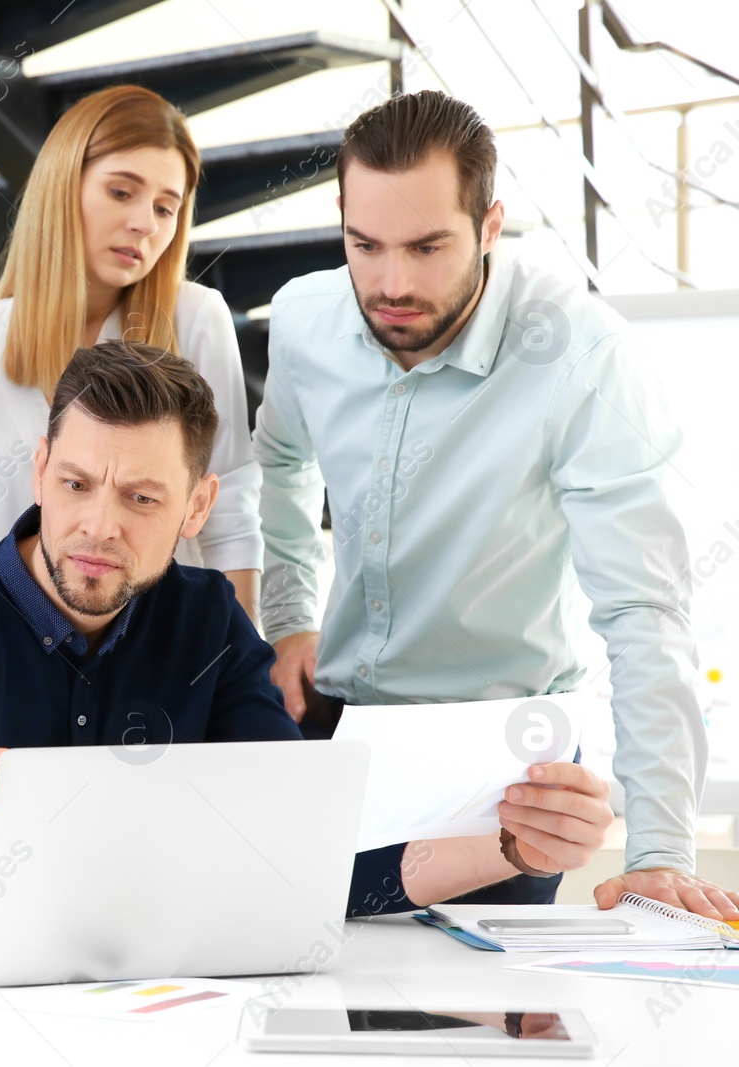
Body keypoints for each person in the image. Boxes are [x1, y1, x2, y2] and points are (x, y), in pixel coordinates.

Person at [0, 342, 613, 942]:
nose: (97, 525)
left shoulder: (207, 625)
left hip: (137, 1012)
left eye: (143, 500)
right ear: (39, 469)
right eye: (77, 483)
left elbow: (301, 861)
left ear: (198, 507)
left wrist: (506, 847)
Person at [254, 89, 739, 921]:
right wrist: (290, 611)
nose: (393, 282)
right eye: (364, 245)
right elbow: (282, 461)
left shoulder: (583, 354)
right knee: (303, 996)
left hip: (499, 767)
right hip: (331, 732)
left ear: (488, 226)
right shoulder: (303, 318)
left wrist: (659, 851)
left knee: (480, 1027)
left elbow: (643, 607)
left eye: (428, 246)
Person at [0, 85, 264, 623]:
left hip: (163, 659)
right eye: (122, 192)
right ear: (61, 187)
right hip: (8, 662)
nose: (146, 223)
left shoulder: (198, 319)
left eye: (166, 208)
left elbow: (231, 514)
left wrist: (233, 675)